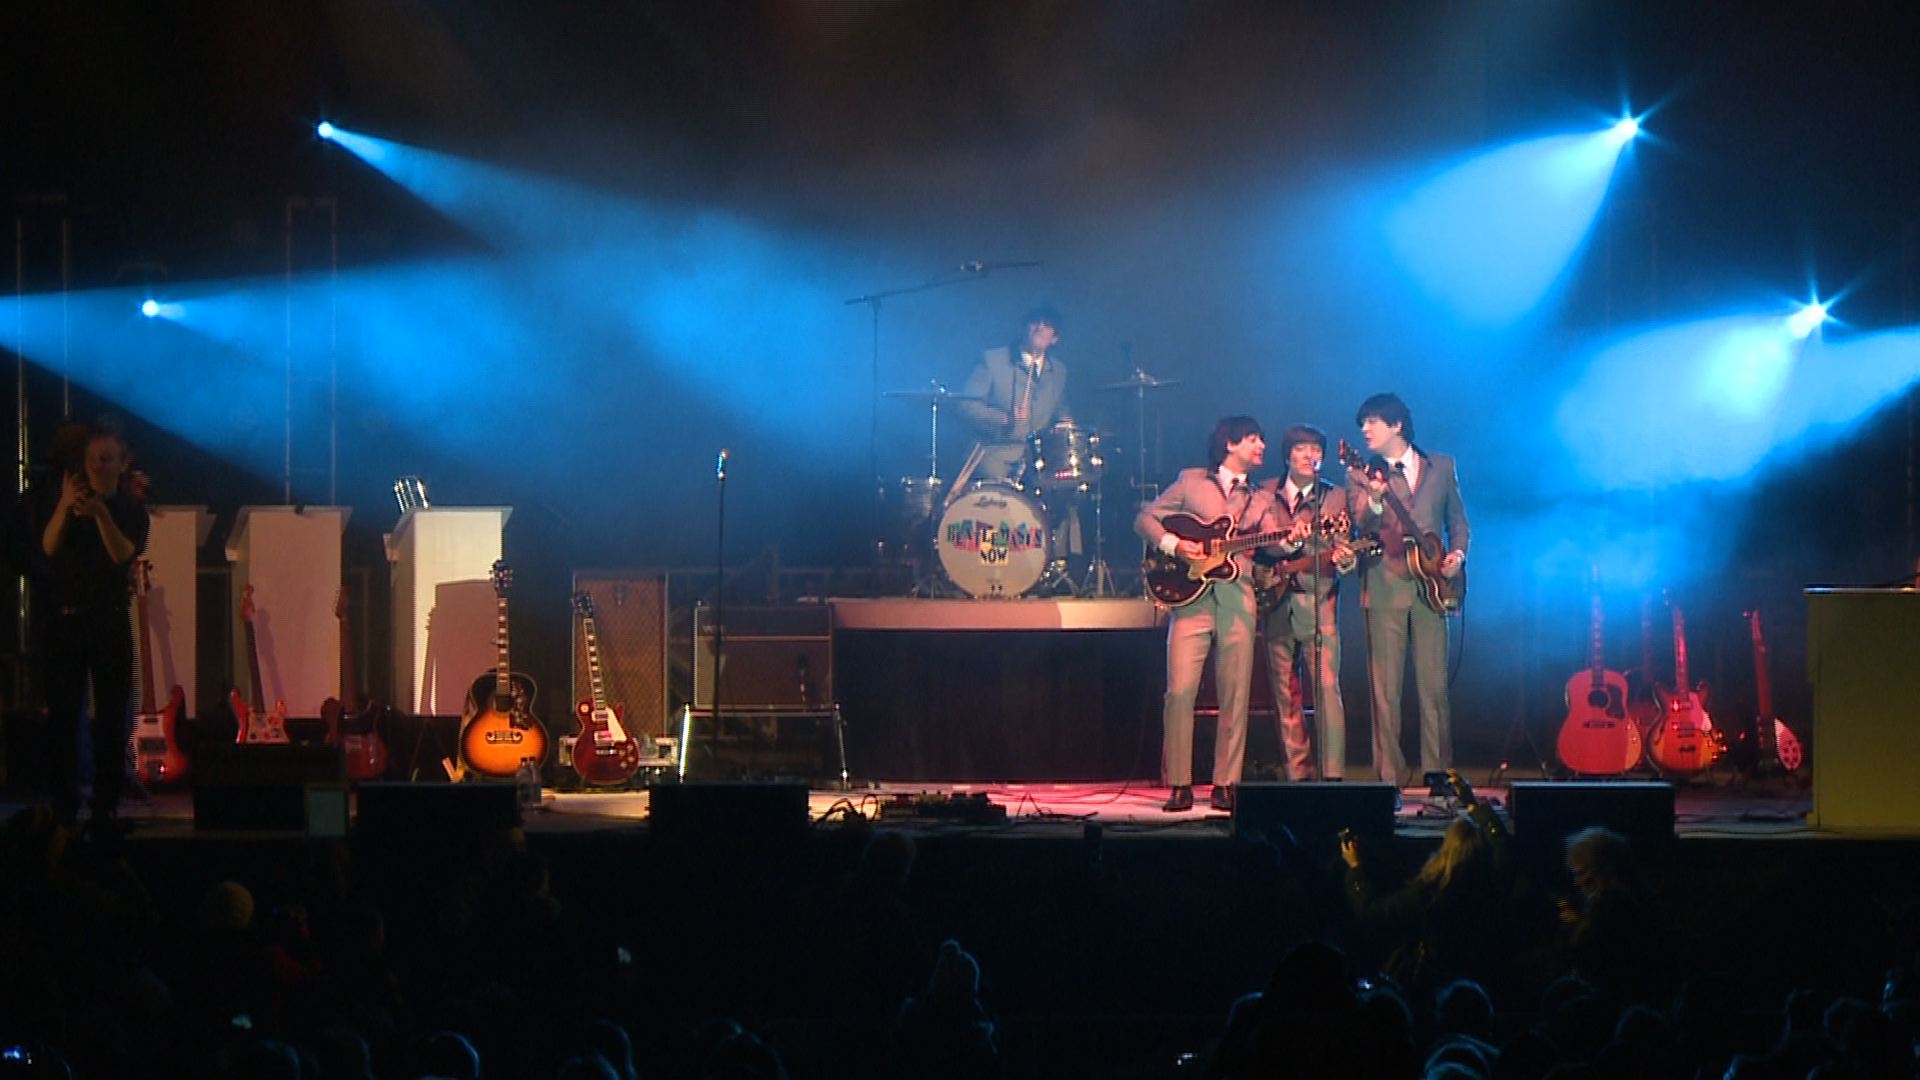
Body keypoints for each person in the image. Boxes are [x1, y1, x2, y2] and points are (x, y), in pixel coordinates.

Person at [1136, 417, 1301, 812]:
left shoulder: (1261, 497)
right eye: (1253, 439)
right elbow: (1145, 520)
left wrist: (1291, 541)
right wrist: (1175, 545)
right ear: (1230, 444)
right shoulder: (1191, 481)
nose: (1262, 446)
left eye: (1262, 439)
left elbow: (1272, 543)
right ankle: (1179, 782)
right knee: (1180, 692)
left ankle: (1226, 783)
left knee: (1235, 694)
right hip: (1190, 599)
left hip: (1237, 599)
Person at [1345, 393, 1469, 788]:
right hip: (1385, 584)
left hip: (1432, 585)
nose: (1365, 429)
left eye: (1372, 421)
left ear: (1397, 424)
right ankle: (1389, 779)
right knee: (1386, 690)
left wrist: (1457, 554)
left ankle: (1437, 771)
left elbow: (1457, 521)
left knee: (1434, 685)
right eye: (1363, 423)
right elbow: (1361, 523)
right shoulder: (1362, 473)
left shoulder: (1441, 466)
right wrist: (1375, 501)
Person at [34, 422, 150, 834]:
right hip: (66, 621)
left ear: (122, 463)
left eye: (106, 459)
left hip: (109, 619)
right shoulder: (67, 504)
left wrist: (102, 515)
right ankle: (64, 807)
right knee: (64, 716)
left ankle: (105, 806)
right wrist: (65, 507)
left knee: (112, 717)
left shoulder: (132, 510)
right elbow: (48, 546)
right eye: (92, 460)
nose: (99, 466)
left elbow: (123, 554)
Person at [1339, 769, 1510, 997]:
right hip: (1489, 978)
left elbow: (1371, 912)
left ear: (1447, 850)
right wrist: (1472, 804)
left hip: (1429, 984)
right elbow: (1501, 843)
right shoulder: (1496, 882)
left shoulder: (1429, 895)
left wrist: (1355, 868)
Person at [1257, 424, 1358, 781]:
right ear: (1287, 455)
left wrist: (1346, 559)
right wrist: (1283, 547)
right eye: (1301, 448)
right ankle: (1297, 772)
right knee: (1284, 692)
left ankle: (1332, 775)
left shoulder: (1336, 497)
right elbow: (1258, 543)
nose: (1309, 456)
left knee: (1327, 687)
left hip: (1319, 600)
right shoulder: (1264, 492)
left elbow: (1345, 546)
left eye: (1316, 450)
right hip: (1274, 599)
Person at [956, 306, 1071, 485]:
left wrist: (1065, 423)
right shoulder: (992, 360)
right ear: (1024, 327)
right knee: (999, 493)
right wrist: (1004, 418)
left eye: (1047, 324)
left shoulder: (1058, 370)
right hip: (994, 452)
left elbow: (1060, 408)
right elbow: (966, 406)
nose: (1040, 327)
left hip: (1037, 458)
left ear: (1055, 338)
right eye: (1035, 322)